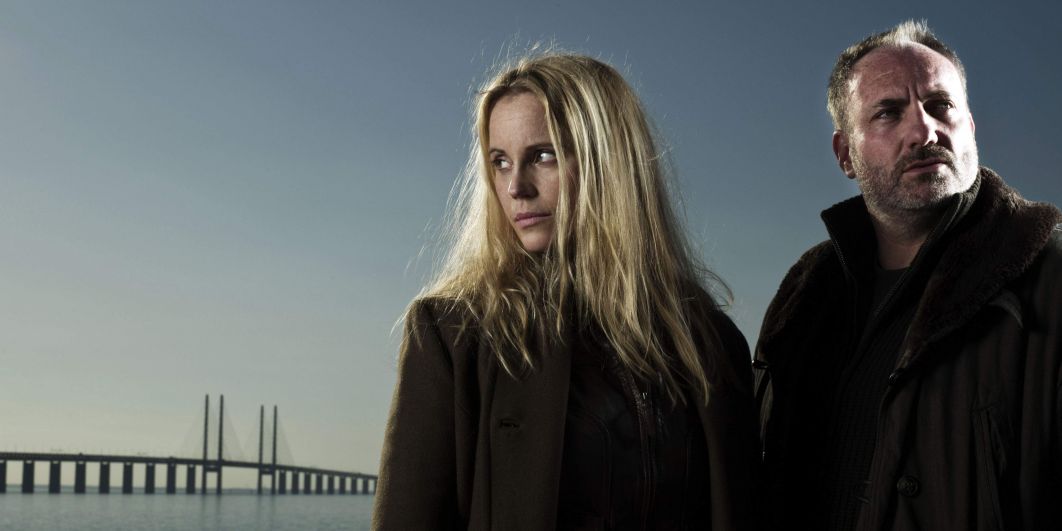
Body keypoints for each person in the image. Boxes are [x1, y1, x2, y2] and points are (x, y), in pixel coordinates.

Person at [372, 52, 757, 530]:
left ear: (609, 163)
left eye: (543, 155)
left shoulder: (708, 342)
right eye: (500, 162)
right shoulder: (455, 334)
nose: (516, 187)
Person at [754, 20, 1062, 531]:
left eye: (941, 106)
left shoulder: (1049, 279)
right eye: (888, 113)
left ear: (971, 128)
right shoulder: (803, 298)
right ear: (845, 154)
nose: (924, 131)